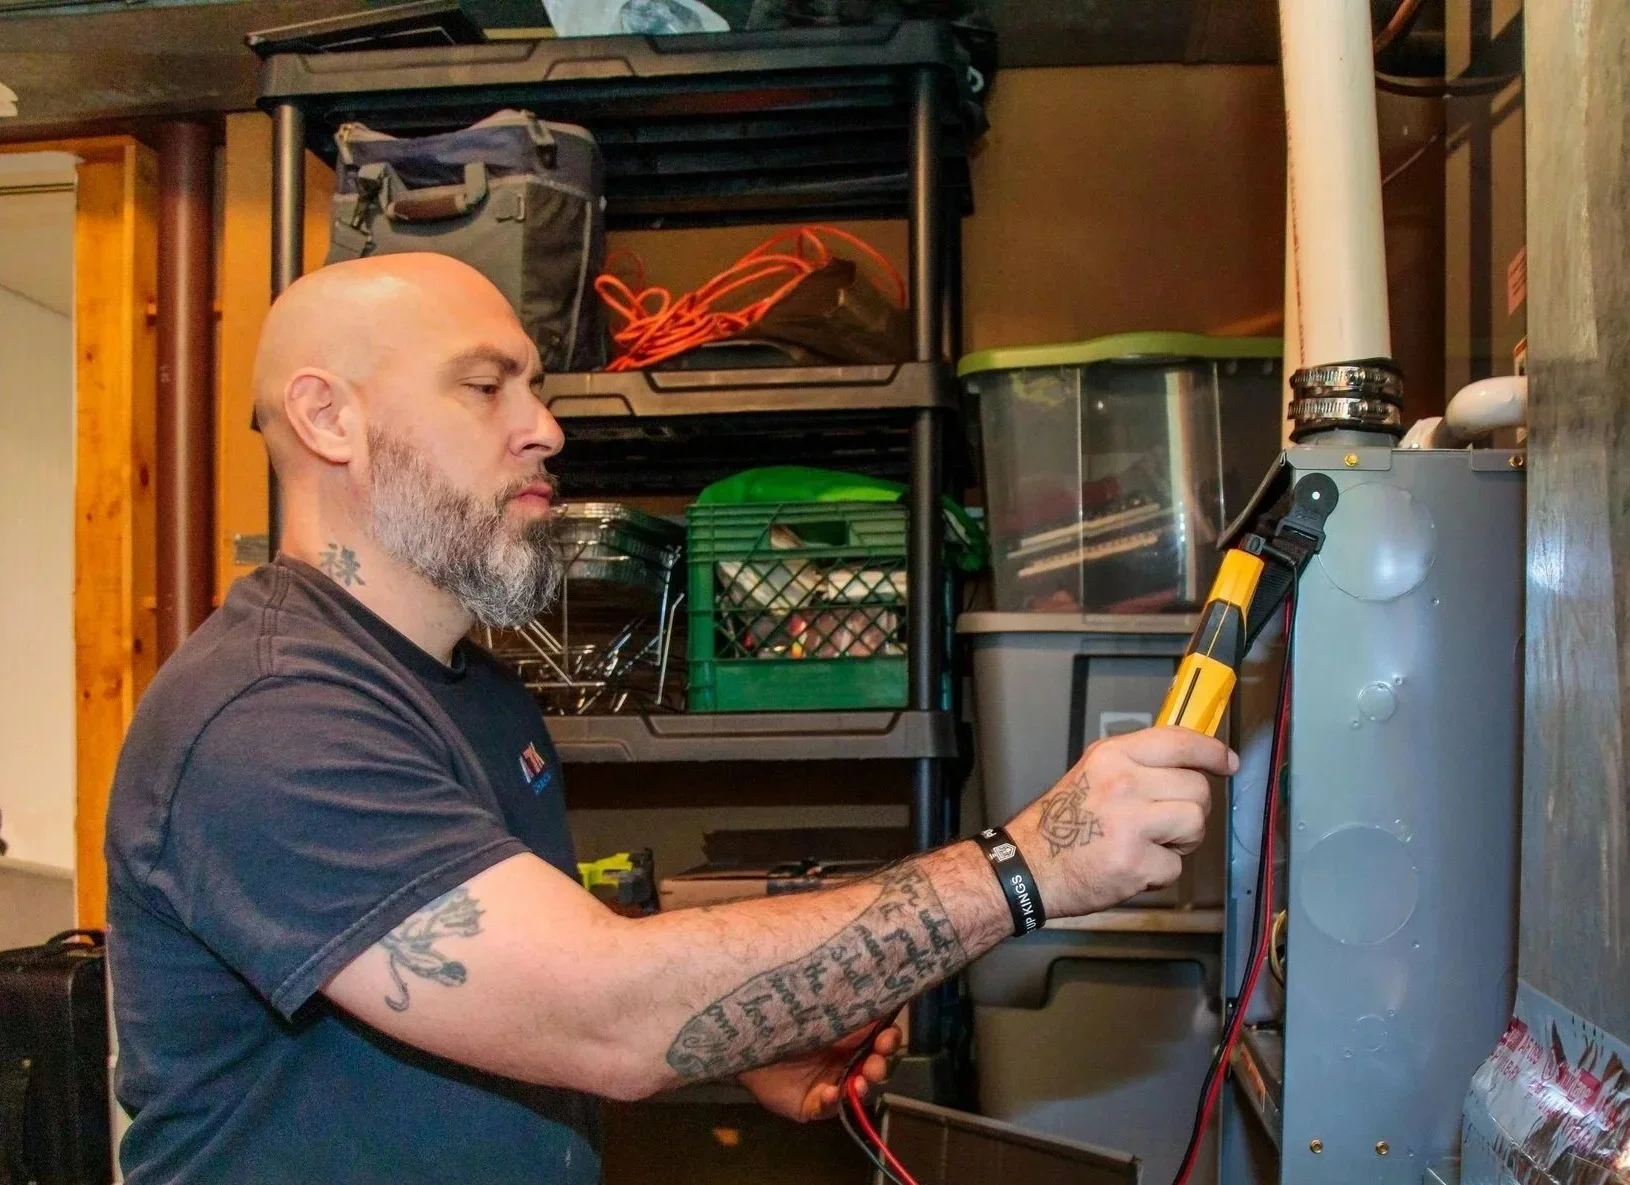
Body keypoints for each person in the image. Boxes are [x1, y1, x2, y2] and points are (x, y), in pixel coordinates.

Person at [104, 254, 1235, 1184]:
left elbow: (528, 1006)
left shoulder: (479, 696)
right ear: (326, 417)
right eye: (485, 385)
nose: (544, 427)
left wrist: (742, 1032)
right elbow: (601, 1011)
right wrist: (1029, 863)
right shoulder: (270, 716)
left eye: (535, 388)